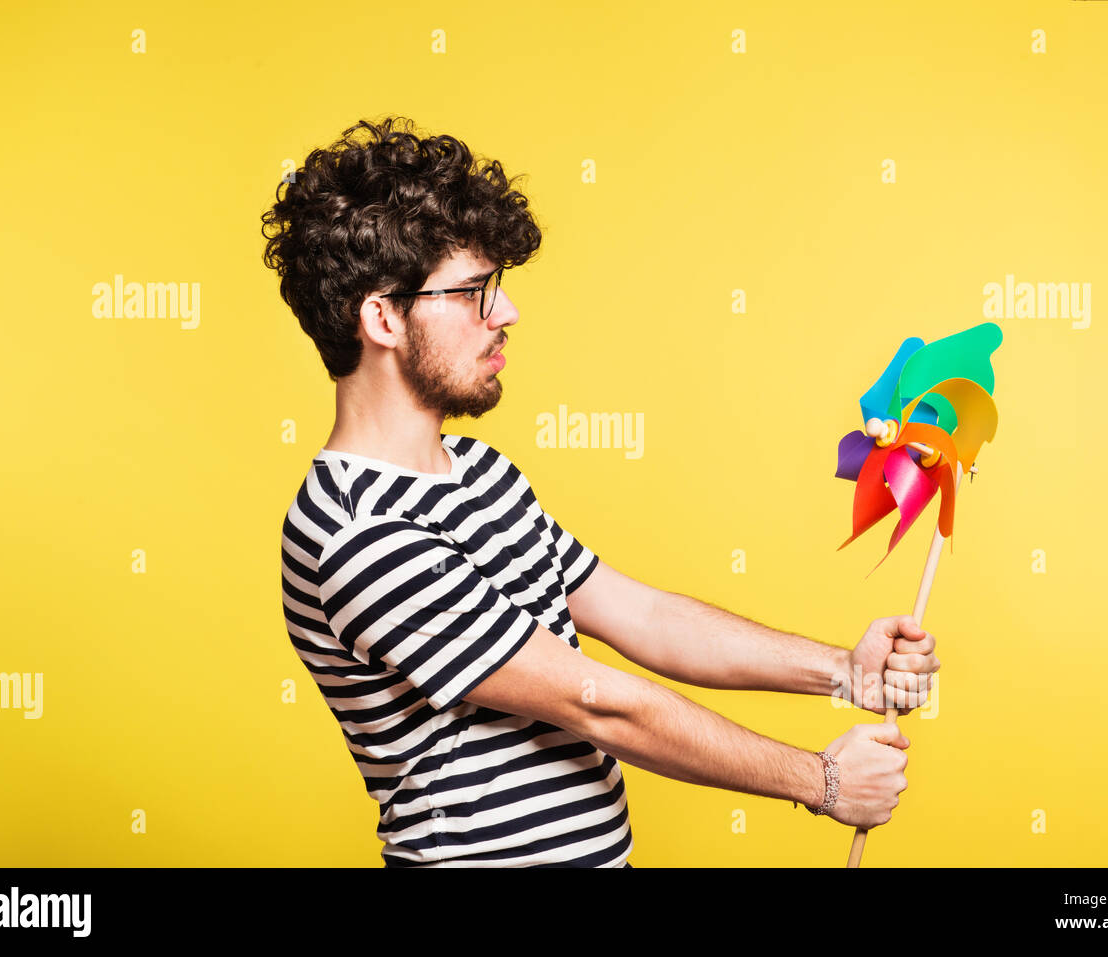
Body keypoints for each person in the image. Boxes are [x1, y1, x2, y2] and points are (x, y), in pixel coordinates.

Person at [264, 116, 940, 868]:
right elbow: (601, 703)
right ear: (383, 316)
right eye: (473, 291)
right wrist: (824, 779)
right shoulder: (360, 535)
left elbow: (643, 616)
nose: (507, 313)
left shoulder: (478, 469)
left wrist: (846, 671)